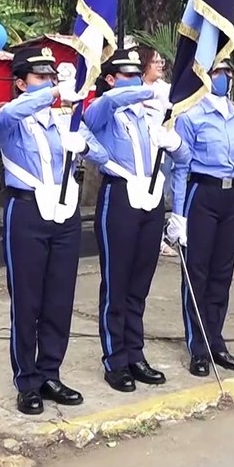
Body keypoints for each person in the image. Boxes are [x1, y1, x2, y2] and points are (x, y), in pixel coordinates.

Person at [0, 46, 105, 415]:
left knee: (59, 298)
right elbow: (12, 112)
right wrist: (57, 93)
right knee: (27, 301)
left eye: (50, 77)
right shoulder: (11, 118)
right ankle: (26, 381)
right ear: (21, 82)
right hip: (27, 211)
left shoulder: (65, 119)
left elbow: (102, 155)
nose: (46, 83)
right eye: (39, 78)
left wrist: (85, 144)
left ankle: (49, 373)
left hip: (65, 213)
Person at [85, 49, 189, 393]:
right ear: (112, 79)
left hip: (150, 199)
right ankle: (115, 359)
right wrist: (147, 90)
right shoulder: (105, 111)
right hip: (120, 198)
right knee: (116, 283)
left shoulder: (149, 115)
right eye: (125, 75)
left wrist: (173, 142)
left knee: (139, 285)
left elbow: (182, 156)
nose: (134, 80)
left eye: (136, 74)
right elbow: (97, 115)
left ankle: (135, 353)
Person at [168, 59, 234, 377]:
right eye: (218, 71)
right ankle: (198, 347)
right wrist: (179, 213)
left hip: (230, 198)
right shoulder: (190, 115)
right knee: (197, 272)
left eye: (227, 72)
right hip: (201, 194)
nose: (224, 77)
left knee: (222, 272)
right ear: (204, 75)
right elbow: (181, 167)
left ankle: (216, 341)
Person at [138, 46, 180, 258]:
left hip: (160, 150)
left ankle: (159, 239)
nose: (160, 65)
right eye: (155, 61)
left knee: (161, 193)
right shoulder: (134, 87)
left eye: (162, 61)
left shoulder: (165, 89)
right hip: (137, 152)